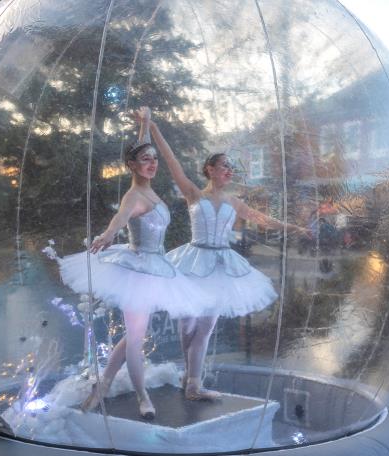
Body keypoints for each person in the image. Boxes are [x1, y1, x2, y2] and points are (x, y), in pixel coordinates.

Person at [58, 110, 210, 419]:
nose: (153, 163)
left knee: (133, 335)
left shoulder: (149, 188)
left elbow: (141, 148)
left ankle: (103, 384)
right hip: (138, 270)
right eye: (146, 160)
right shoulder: (134, 196)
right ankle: (143, 397)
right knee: (137, 338)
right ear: (131, 166)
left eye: (154, 159)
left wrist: (145, 125)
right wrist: (107, 233)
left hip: (157, 269)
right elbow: (120, 218)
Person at [146, 107, 302, 400]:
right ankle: (189, 378)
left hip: (221, 266)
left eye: (232, 168)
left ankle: (194, 384)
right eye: (224, 167)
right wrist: (153, 128)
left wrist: (295, 227)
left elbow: (262, 218)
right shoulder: (193, 193)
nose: (229, 171)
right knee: (187, 324)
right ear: (210, 170)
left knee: (205, 326)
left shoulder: (235, 201)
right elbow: (172, 162)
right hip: (192, 262)